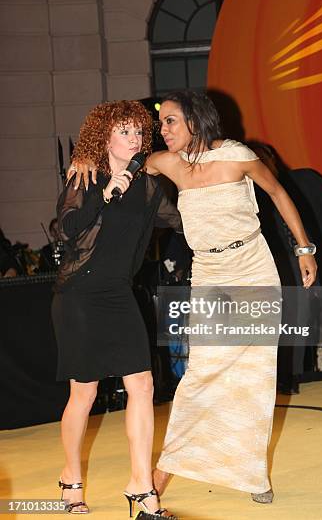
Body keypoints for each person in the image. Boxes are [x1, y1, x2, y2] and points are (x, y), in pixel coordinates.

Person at [69, 90, 317, 504]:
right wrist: (86, 160)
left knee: (254, 379)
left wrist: (304, 248)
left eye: (169, 121)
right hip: (209, 274)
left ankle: (254, 474)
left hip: (253, 268)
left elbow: (277, 193)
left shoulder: (236, 155)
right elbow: (119, 160)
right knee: (201, 376)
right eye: (160, 122)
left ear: (195, 122)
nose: (160, 130)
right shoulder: (167, 163)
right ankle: (161, 474)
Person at [53, 100, 179, 518]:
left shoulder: (149, 187)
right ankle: (71, 477)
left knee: (141, 384)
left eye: (139, 132)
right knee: (84, 391)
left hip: (119, 293)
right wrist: (105, 195)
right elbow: (66, 229)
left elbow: (180, 222)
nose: (134, 139)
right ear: (103, 136)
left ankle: (142, 487)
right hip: (80, 294)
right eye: (124, 131)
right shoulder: (85, 176)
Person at [246, 142, 322, 393]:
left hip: (321, 253)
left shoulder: (304, 178)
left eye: (261, 159)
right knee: (295, 316)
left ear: (272, 159)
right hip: (284, 265)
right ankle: (297, 374)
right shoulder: (252, 194)